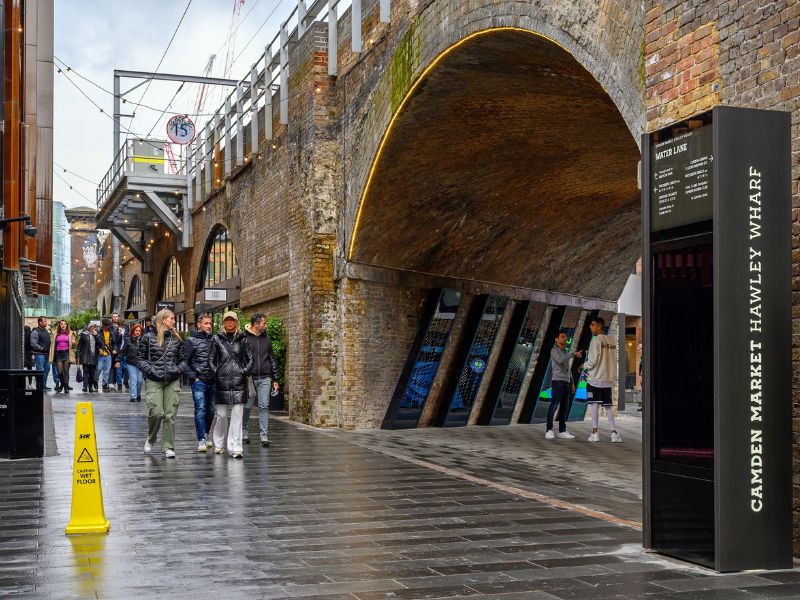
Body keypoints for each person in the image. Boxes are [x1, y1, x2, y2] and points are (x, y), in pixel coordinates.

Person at [138, 308, 184, 459]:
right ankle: (151, 438)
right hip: (154, 379)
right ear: (163, 320)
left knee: (170, 414)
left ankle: (168, 446)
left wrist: (177, 370)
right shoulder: (148, 337)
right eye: (171, 318)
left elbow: (184, 360)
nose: (174, 321)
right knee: (157, 412)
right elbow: (140, 359)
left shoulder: (177, 338)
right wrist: (151, 370)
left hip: (172, 380)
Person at [211, 311, 253, 458]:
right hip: (221, 381)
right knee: (222, 415)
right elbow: (211, 360)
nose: (229, 323)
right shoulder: (216, 339)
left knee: (237, 415)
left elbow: (251, 359)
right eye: (227, 320)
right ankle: (219, 443)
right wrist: (216, 372)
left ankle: (236, 447)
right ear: (223, 323)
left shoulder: (243, 339)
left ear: (236, 322)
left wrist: (244, 371)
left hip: (238, 382)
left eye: (232, 320)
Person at [583, 317, 622, 443]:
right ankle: (614, 433)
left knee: (595, 404)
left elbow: (592, 361)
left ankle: (595, 433)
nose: (590, 327)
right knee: (608, 406)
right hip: (608, 379)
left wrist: (583, 366)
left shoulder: (596, 340)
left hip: (595, 379)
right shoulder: (612, 340)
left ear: (599, 326)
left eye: (593, 325)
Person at [243, 313, 279, 447]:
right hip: (249, 378)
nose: (266, 325)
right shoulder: (244, 338)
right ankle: (243, 430)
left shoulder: (267, 339)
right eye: (264, 323)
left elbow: (272, 359)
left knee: (264, 406)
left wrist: (275, 378)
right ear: (256, 324)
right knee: (247, 407)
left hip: (265, 377)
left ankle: (264, 434)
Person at [184, 313, 216, 452]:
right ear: (199, 325)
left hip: (213, 380)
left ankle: (206, 433)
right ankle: (201, 439)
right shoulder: (190, 341)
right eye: (206, 323)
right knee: (200, 409)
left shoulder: (214, 339)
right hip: (199, 381)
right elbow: (184, 362)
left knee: (211, 410)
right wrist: (193, 377)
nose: (209, 326)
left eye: (210, 323)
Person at [545, 330, 582, 440]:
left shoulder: (566, 351)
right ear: (556, 339)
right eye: (563, 337)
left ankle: (562, 431)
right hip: (557, 382)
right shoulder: (554, 350)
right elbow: (560, 360)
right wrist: (573, 354)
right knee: (554, 406)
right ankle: (549, 430)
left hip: (566, 382)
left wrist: (572, 382)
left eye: (566, 337)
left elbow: (568, 369)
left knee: (564, 408)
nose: (565, 338)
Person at [49, 320, 76, 394]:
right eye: (61, 324)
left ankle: (66, 387)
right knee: (60, 372)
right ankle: (62, 384)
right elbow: (51, 328)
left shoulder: (70, 333)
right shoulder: (56, 334)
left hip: (67, 353)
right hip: (58, 354)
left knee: (66, 371)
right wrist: (56, 322)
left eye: (64, 324)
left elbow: (74, 346)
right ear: (59, 325)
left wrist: (74, 342)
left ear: (67, 325)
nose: (63, 325)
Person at [77, 323, 103, 392]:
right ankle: (85, 386)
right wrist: (78, 355)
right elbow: (79, 345)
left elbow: (100, 344)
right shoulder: (84, 334)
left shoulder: (97, 335)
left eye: (94, 327)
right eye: (91, 326)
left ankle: (90, 386)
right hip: (85, 356)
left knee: (92, 373)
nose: (92, 328)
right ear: (88, 327)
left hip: (94, 356)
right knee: (86, 372)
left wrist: (96, 335)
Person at [123, 323, 144, 402]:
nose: (138, 332)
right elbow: (123, 351)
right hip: (130, 362)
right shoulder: (128, 339)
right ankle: (133, 396)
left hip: (141, 363)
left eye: (139, 331)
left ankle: (138, 394)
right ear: (133, 331)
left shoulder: (144, 340)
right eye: (136, 330)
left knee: (139, 381)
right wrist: (118, 360)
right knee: (133, 379)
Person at [96, 318, 119, 392]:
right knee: (98, 369)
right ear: (103, 325)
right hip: (101, 354)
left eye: (108, 326)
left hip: (109, 354)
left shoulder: (111, 332)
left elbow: (114, 343)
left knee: (106, 371)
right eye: (106, 326)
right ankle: (95, 381)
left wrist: (115, 349)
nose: (107, 327)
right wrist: (99, 349)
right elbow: (96, 342)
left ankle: (104, 384)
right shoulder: (98, 332)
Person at [30, 317, 52, 390]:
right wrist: (40, 348)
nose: (46, 322)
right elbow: (33, 342)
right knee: (39, 370)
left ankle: (43, 385)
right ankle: (39, 386)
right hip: (39, 354)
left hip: (47, 354)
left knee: (47, 369)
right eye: (45, 321)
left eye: (46, 321)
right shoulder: (35, 331)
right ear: (40, 322)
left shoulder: (46, 330)